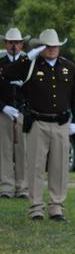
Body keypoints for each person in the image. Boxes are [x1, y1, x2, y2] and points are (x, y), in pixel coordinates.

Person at [1, 28, 75, 222]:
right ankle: (36, 206)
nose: (52, 49)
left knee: (59, 167)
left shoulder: (68, 67)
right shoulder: (30, 65)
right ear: (41, 48)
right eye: (48, 46)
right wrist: (27, 57)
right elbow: (6, 73)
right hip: (38, 122)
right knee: (35, 166)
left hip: (61, 122)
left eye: (55, 46)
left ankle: (56, 207)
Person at [0, 27, 31, 198]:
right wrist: (3, 107)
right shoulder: (1, 64)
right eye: (11, 42)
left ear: (21, 44)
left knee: (23, 150)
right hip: (4, 111)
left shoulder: (28, 64)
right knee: (4, 150)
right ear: (5, 44)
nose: (14, 46)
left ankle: (22, 187)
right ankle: (6, 187)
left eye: (17, 43)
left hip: (21, 111)